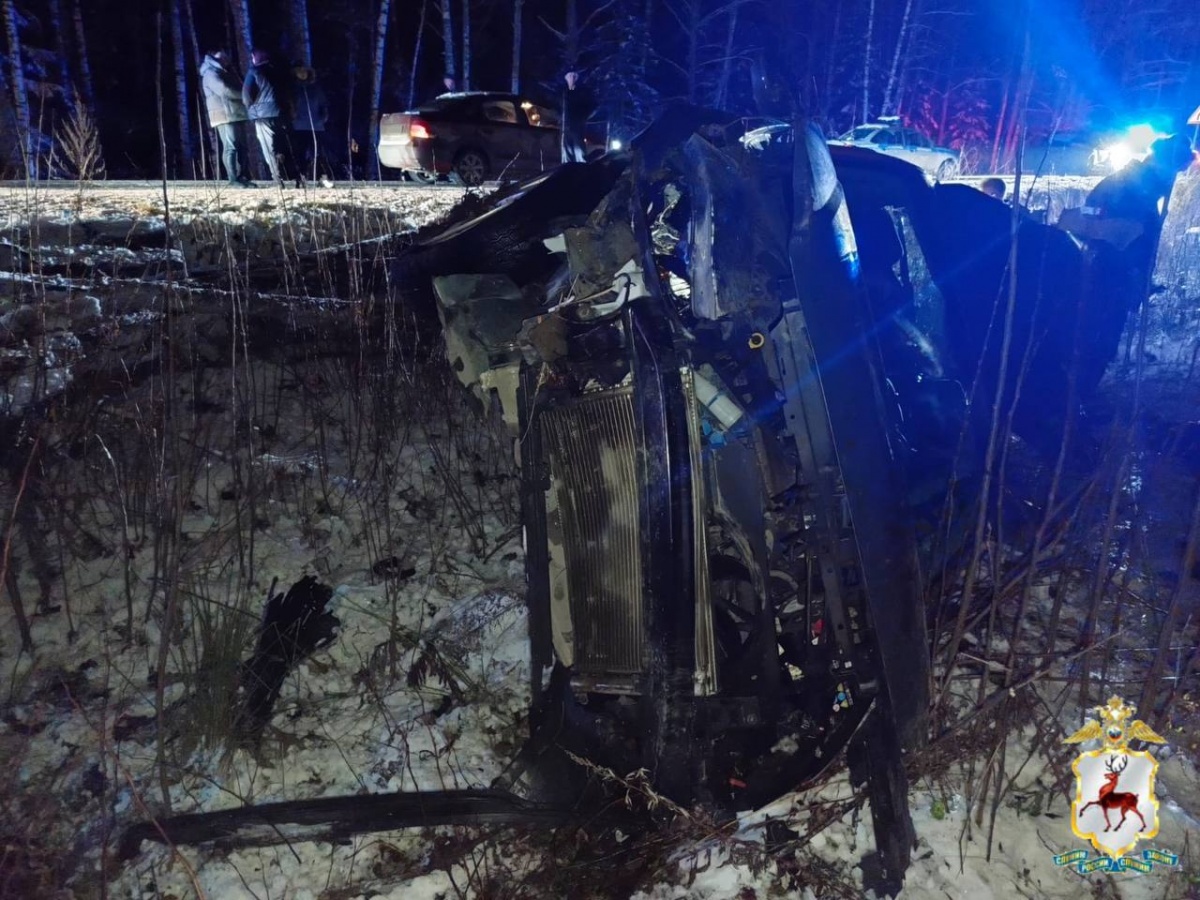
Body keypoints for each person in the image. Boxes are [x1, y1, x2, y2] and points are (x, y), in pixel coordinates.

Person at [243, 49, 300, 188]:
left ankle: (277, 178)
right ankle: (294, 175)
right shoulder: (278, 72)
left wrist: (251, 109)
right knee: (282, 145)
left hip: (262, 115)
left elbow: (246, 95)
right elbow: (288, 93)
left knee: (269, 147)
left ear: (256, 59)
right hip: (281, 113)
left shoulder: (254, 72)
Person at [199, 51, 255, 188]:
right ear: (219, 59)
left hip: (235, 113)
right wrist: (244, 96)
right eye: (225, 59)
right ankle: (232, 178)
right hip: (224, 115)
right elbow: (224, 90)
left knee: (241, 146)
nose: (228, 61)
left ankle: (241, 176)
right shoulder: (210, 73)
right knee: (231, 146)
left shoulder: (225, 71)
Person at [291, 66, 335, 186]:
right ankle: (301, 178)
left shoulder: (315, 88)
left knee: (319, 153)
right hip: (299, 126)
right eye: (299, 71)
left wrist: (324, 117)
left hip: (316, 126)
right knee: (300, 154)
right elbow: (289, 105)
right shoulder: (294, 89)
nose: (302, 74)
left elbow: (324, 104)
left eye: (304, 71)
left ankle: (323, 177)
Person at [560, 70, 595, 164]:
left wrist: (582, 118)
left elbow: (586, 106)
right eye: (569, 76)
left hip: (576, 127)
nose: (571, 79)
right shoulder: (565, 92)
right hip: (567, 128)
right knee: (567, 151)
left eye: (573, 76)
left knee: (578, 150)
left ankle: (581, 170)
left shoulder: (581, 92)